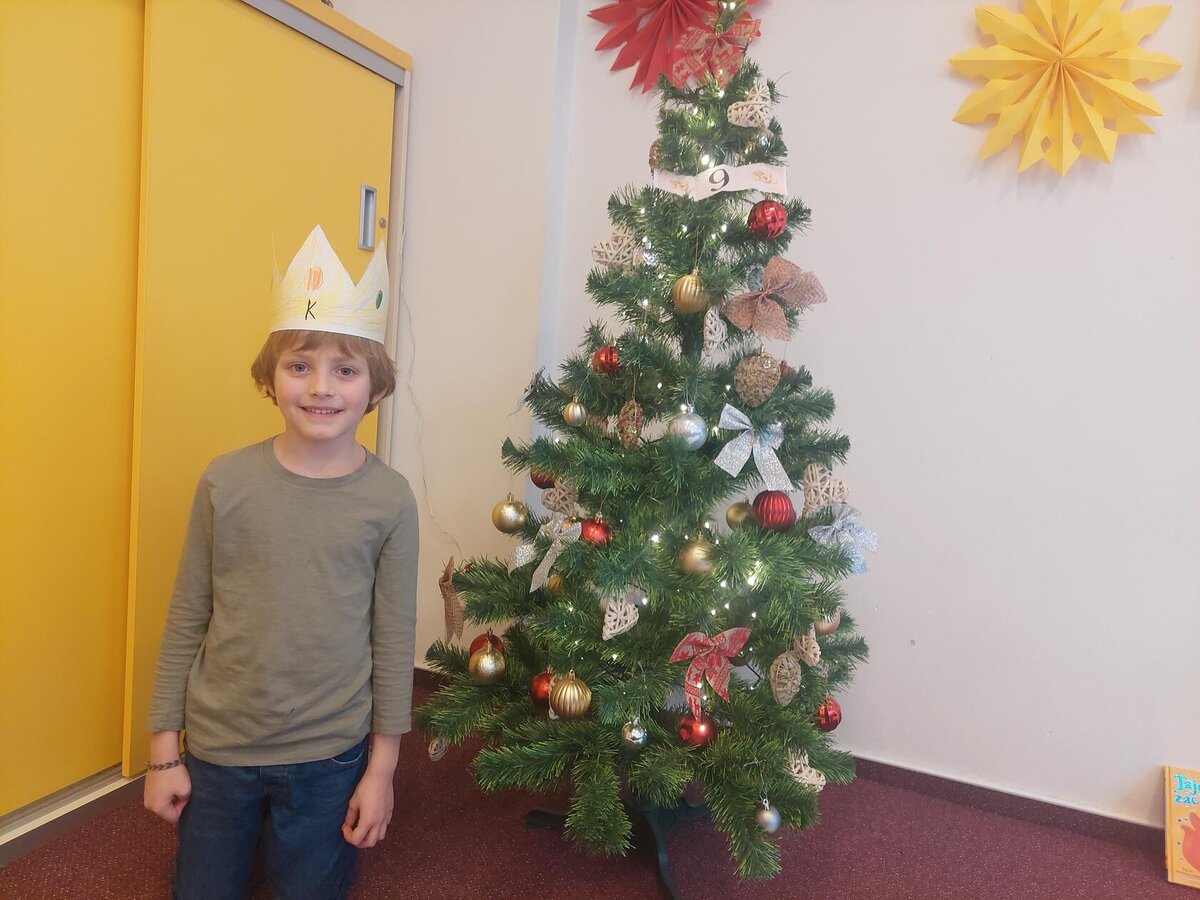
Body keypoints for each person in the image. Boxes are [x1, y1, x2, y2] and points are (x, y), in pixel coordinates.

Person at [142, 225, 419, 899]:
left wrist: (381, 771)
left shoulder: (389, 499)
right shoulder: (225, 482)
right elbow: (188, 613)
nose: (321, 387)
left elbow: (392, 638)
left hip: (330, 755)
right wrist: (163, 751)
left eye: (345, 370)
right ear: (269, 379)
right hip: (220, 748)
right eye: (299, 366)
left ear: (375, 387)